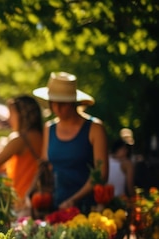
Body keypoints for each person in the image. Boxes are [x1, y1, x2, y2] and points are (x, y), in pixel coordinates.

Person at [33, 72, 109, 213]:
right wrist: (32, 194)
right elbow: (45, 166)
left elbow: (101, 173)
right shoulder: (49, 128)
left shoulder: (95, 128)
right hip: (55, 206)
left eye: (62, 103)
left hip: (88, 208)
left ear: (74, 102)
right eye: (53, 102)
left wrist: (74, 199)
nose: (57, 108)